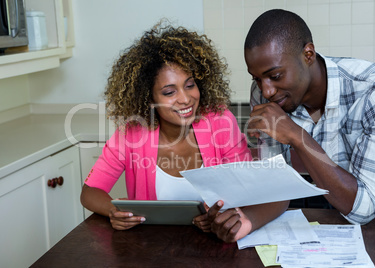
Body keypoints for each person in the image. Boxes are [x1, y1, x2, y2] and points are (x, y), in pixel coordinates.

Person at [81, 22, 289, 243]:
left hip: (214, 247)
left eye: (190, 85)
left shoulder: (220, 122)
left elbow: (247, 188)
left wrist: (219, 217)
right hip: (148, 248)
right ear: (149, 99)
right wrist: (113, 211)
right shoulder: (132, 134)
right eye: (169, 92)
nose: (185, 98)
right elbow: (90, 192)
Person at [245, 9, 375, 225]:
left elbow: (363, 209)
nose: (267, 91)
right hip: (329, 191)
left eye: (275, 76)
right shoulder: (263, 94)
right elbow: (274, 181)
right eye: (257, 78)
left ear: (308, 54)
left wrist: (296, 136)